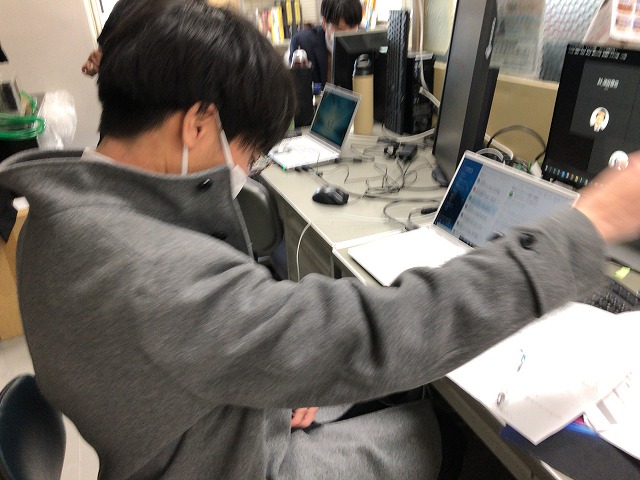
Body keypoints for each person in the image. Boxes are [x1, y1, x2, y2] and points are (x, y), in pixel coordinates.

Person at [1, 3, 640, 479]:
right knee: (449, 429)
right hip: (231, 464)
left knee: (388, 391)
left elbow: (195, 341)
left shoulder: (59, 220)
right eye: (247, 153)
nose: (245, 172)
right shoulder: (156, 277)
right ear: (197, 123)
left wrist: (272, 365)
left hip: (192, 429)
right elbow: (378, 332)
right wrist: (586, 227)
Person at [288, 0, 362, 87]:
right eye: (339, 29)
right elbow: (297, 88)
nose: (347, 35)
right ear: (324, 23)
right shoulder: (303, 43)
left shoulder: (366, 42)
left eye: (352, 27)